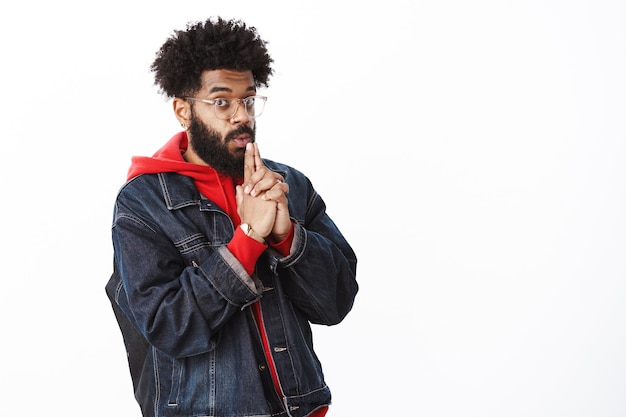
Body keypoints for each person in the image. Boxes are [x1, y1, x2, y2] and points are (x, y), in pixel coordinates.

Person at [105, 17, 358, 417]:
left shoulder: (288, 185)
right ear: (183, 110)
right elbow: (169, 325)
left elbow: (337, 303)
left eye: (249, 99)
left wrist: (287, 237)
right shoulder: (143, 203)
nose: (241, 116)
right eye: (222, 101)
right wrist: (249, 239)